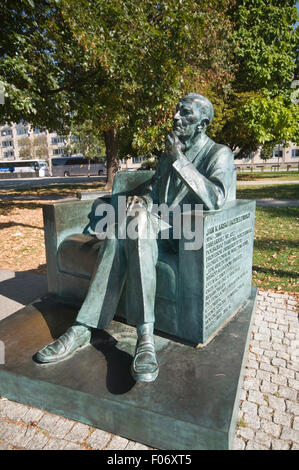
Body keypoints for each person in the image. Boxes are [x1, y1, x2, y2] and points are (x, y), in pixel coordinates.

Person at [36, 93, 234, 382]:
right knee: (123, 230)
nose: (176, 117)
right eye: (177, 111)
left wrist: (179, 160)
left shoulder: (218, 154)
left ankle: (97, 328)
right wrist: (142, 200)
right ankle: (127, 334)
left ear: (202, 123)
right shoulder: (169, 155)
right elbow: (154, 192)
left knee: (131, 227)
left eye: (186, 114)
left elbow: (216, 199)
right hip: (153, 226)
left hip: (187, 232)